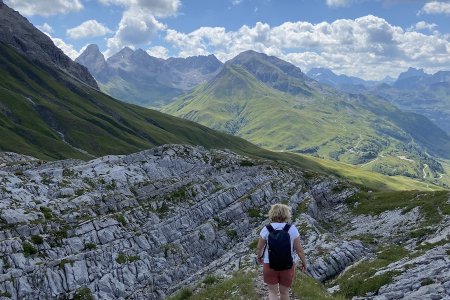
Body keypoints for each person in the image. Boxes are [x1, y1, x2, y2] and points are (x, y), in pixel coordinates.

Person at [256, 203, 307, 300]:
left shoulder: (266, 229)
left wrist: (259, 257)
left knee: (272, 292)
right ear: (286, 214)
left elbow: (259, 248)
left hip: (269, 264)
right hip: (288, 265)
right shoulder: (292, 229)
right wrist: (304, 263)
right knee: (284, 292)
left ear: (272, 214)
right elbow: (299, 250)